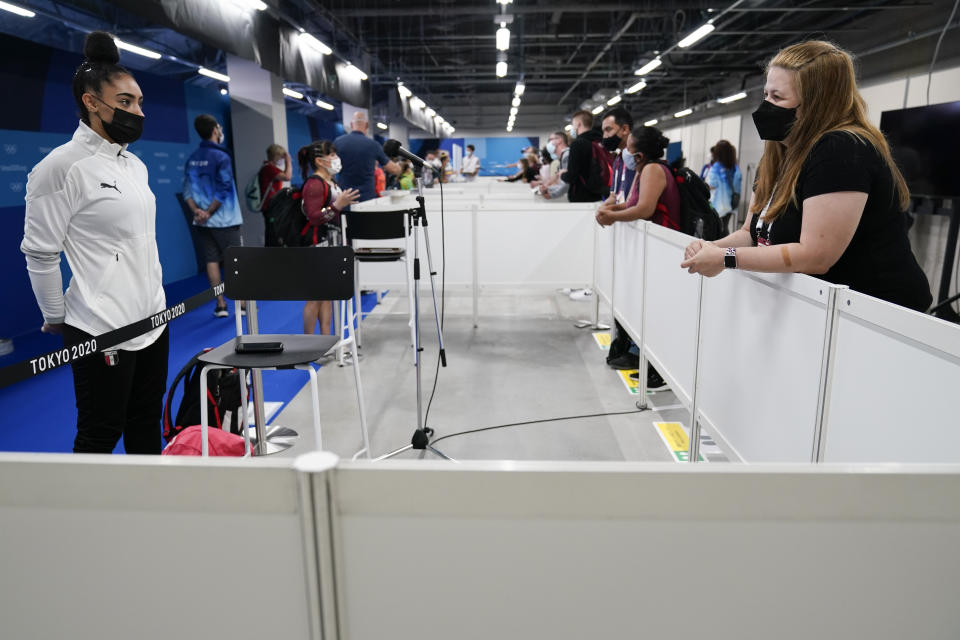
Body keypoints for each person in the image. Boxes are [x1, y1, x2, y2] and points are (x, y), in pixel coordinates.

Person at [681, 40, 932, 312]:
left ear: (815, 104)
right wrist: (710, 249)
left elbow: (816, 255)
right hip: (822, 310)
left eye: (777, 98)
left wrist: (725, 259)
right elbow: (750, 233)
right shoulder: (778, 152)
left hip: (877, 312)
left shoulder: (841, 149)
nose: (766, 106)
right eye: (766, 95)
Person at [21, 31, 168, 454]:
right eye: (125, 102)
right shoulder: (60, 168)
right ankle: (87, 520)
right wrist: (56, 315)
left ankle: (152, 513)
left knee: (146, 422)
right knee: (101, 432)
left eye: (139, 102)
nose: (137, 111)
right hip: (101, 326)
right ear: (91, 101)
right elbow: (40, 250)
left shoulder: (134, 165)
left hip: (153, 318)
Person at [595, 125, 677, 390]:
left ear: (639, 153)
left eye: (629, 147)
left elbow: (644, 208)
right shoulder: (643, 170)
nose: (625, 152)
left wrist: (612, 216)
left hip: (662, 250)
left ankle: (660, 370)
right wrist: (610, 209)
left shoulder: (653, 170)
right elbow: (631, 204)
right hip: (650, 252)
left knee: (658, 311)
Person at [297, 141, 360, 334]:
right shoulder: (314, 184)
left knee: (327, 296)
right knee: (314, 297)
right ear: (319, 160)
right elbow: (314, 217)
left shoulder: (330, 182)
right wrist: (337, 206)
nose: (336, 159)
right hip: (316, 246)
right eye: (331, 155)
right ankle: (308, 343)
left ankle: (326, 341)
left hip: (332, 244)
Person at [183, 113, 243, 317]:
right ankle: (242, 304)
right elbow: (224, 187)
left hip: (202, 222)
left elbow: (187, 192)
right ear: (215, 131)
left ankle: (221, 305)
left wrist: (198, 213)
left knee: (211, 260)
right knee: (236, 260)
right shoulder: (222, 157)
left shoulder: (192, 159)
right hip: (225, 220)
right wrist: (209, 212)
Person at [334, 111, 401, 203]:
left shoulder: (338, 142)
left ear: (351, 124)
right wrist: (400, 167)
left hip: (345, 199)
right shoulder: (373, 145)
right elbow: (393, 169)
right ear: (367, 125)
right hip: (367, 200)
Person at [562, 110, 608, 202]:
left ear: (579, 124)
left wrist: (562, 174)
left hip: (582, 196)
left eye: (573, 125)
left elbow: (572, 176)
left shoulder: (578, 144)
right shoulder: (601, 142)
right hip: (601, 193)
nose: (573, 128)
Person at [705, 140, 742, 232]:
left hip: (717, 204)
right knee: (724, 227)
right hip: (730, 204)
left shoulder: (716, 167)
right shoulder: (735, 167)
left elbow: (712, 185)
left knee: (716, 230)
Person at [600, 107, 635, 206]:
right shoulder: (618, 160)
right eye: (603, 131)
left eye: (608, 130)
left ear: (624, 129)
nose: (605, 136)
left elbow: (637, 203)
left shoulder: (640, 159)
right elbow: (614, 196)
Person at [258, 143, 292, 245]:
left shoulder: (269, 168)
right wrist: (288, 161)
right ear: (276, 156)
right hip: (271, 207)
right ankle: (271, 257)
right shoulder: (269, 168)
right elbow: (287, 176)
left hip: (273, 206)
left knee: (274, 233)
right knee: (273, 235)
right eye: (281, 157)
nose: (282, 159)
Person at [539, 131, 570, 200]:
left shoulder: (567, 155)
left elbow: (567, 182)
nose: (549, 143)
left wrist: (552, 194)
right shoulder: (563, 157)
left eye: (551, 140)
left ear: (559, 140)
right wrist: (548, 188)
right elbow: (560, 183)